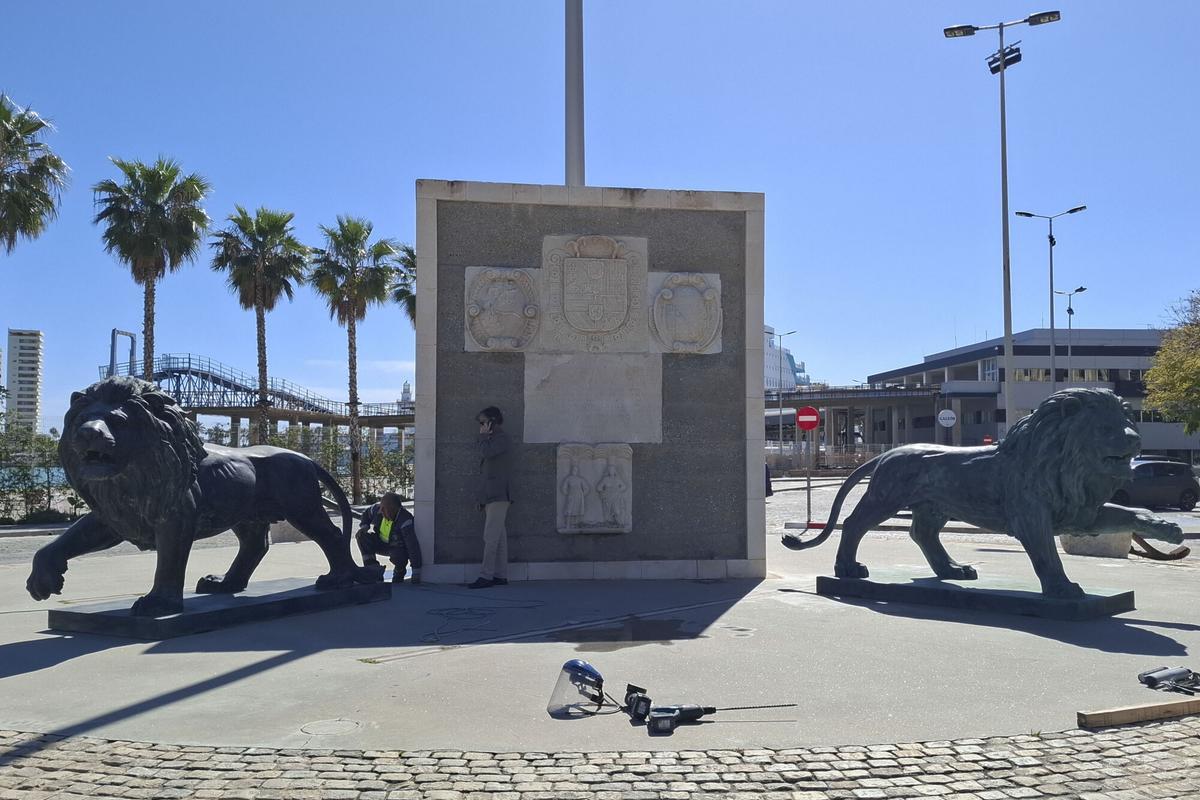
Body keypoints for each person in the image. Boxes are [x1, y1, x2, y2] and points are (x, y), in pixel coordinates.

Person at [470, 405, 512, 589]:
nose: (480, 426)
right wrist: (481, 499)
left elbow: (486, 452)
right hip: (491, 495)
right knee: (499, 537)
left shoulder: (501, 439)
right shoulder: (492, 439)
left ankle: (486, 576)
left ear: (492, 422)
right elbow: (486, 474)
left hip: (499, 495)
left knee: (491, 537)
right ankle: (501, 575)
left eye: (483, 422)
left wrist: (482, 437)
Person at [356, 492, 421, 584]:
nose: (381, 511)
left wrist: (416, 572)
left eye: (384, 509)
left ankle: (399, 571)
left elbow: (412, 546)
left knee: (398, 553)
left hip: (397, 548)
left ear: (393, 508)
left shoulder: (406, 520)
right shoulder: (378, 509)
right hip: (381, 543)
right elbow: (367, 513)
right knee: (362, 536)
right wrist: (364, 527)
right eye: (381, 508)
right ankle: (373, 571)